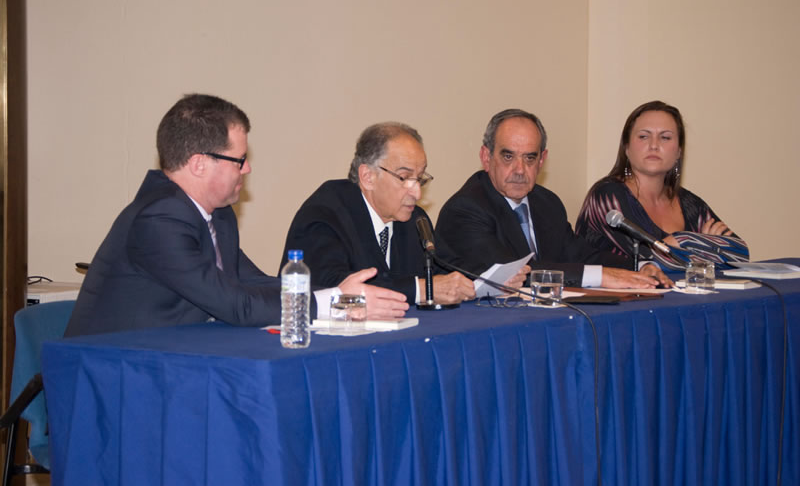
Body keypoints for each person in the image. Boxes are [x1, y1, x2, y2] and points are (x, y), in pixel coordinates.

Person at [65, 94, 408, 337]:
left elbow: (252, 282)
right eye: (239, 160)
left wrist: (342, 294)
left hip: (168, 367)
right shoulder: (158, 218)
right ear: (199, 164)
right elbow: (237, 305)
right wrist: (334, 302)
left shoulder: (216, 214)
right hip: (113, 378)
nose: (247, 169)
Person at [435, 108, 671, 289]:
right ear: (486, 157)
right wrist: (602, 277)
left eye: (529, 158)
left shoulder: (546, 203)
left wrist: (640, 266)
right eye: (508, 157)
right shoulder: (466, 209)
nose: (519, 170)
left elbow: (581, 254)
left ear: (542, 160)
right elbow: (515, 273)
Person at [280, 122, 503, 306]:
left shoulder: (414, 219)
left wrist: (494, 281)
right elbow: (332, 286)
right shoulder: (325, 214)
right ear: (367, 177)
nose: (416, 192)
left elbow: (446, 268)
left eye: (420, 178)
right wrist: (421, 290)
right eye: (404, 178)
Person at [575, 100, 746, 269]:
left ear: (678, 151)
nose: (654, 145)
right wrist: (704, 244)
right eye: (643, 136)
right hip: (621, 296)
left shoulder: (690, 203)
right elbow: (649, 260)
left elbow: (739, 254)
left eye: (665, 137)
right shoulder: (607, 195)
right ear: (626, 148)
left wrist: (681, 240)